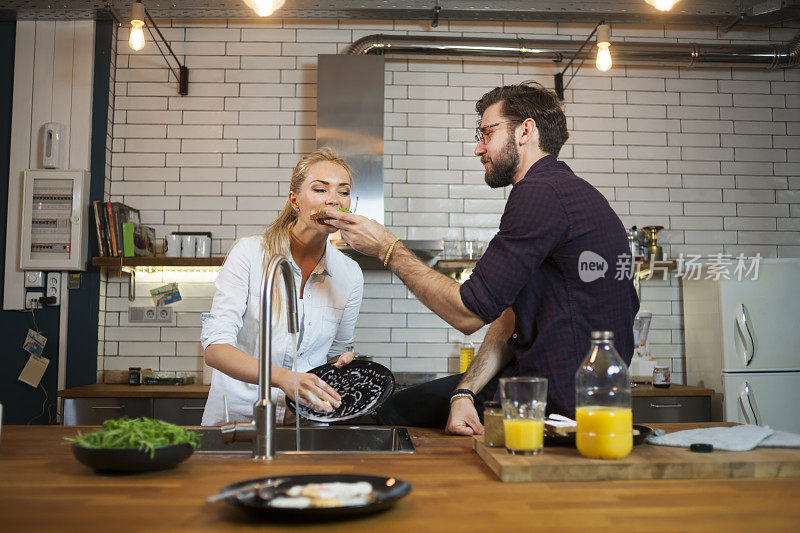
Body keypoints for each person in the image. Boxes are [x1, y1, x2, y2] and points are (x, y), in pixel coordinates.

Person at [323, 82, 639, 434]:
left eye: (487, 133)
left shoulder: (539, 193)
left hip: (560, 407)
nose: (478, 148)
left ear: (526, 131)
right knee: (405, 407)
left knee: (393, 414)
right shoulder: (566, 191)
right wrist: (464, 392)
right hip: (570, 395)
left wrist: (387, 248)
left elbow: (469, 312)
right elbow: (508, 318)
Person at [200, 148, 364, 426]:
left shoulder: (350, 274)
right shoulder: (250, 253)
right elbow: (216, 348)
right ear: (295, 200)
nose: (334, 200)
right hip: (238, 418)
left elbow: (336, 353)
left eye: (343, 191)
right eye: (320, 189)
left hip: (305, 419)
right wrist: (283, 378)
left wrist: (343, 362)